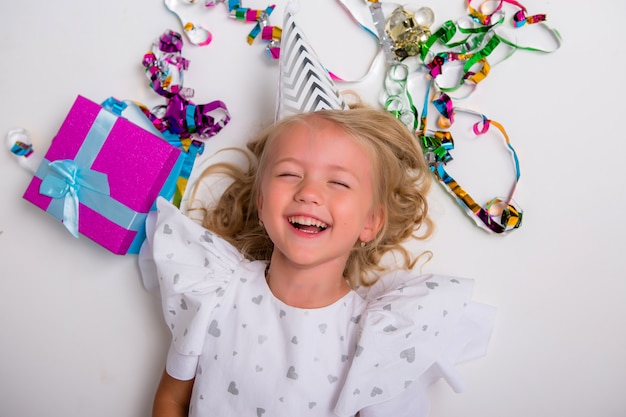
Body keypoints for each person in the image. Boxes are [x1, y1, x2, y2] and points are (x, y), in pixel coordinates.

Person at [139, 101, 494, 417]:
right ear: (262, 202)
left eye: (338, 183)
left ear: (370, 222)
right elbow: (172, 400)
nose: (308, 193)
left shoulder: (375, 341)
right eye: (289, 174)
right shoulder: (214, 292)